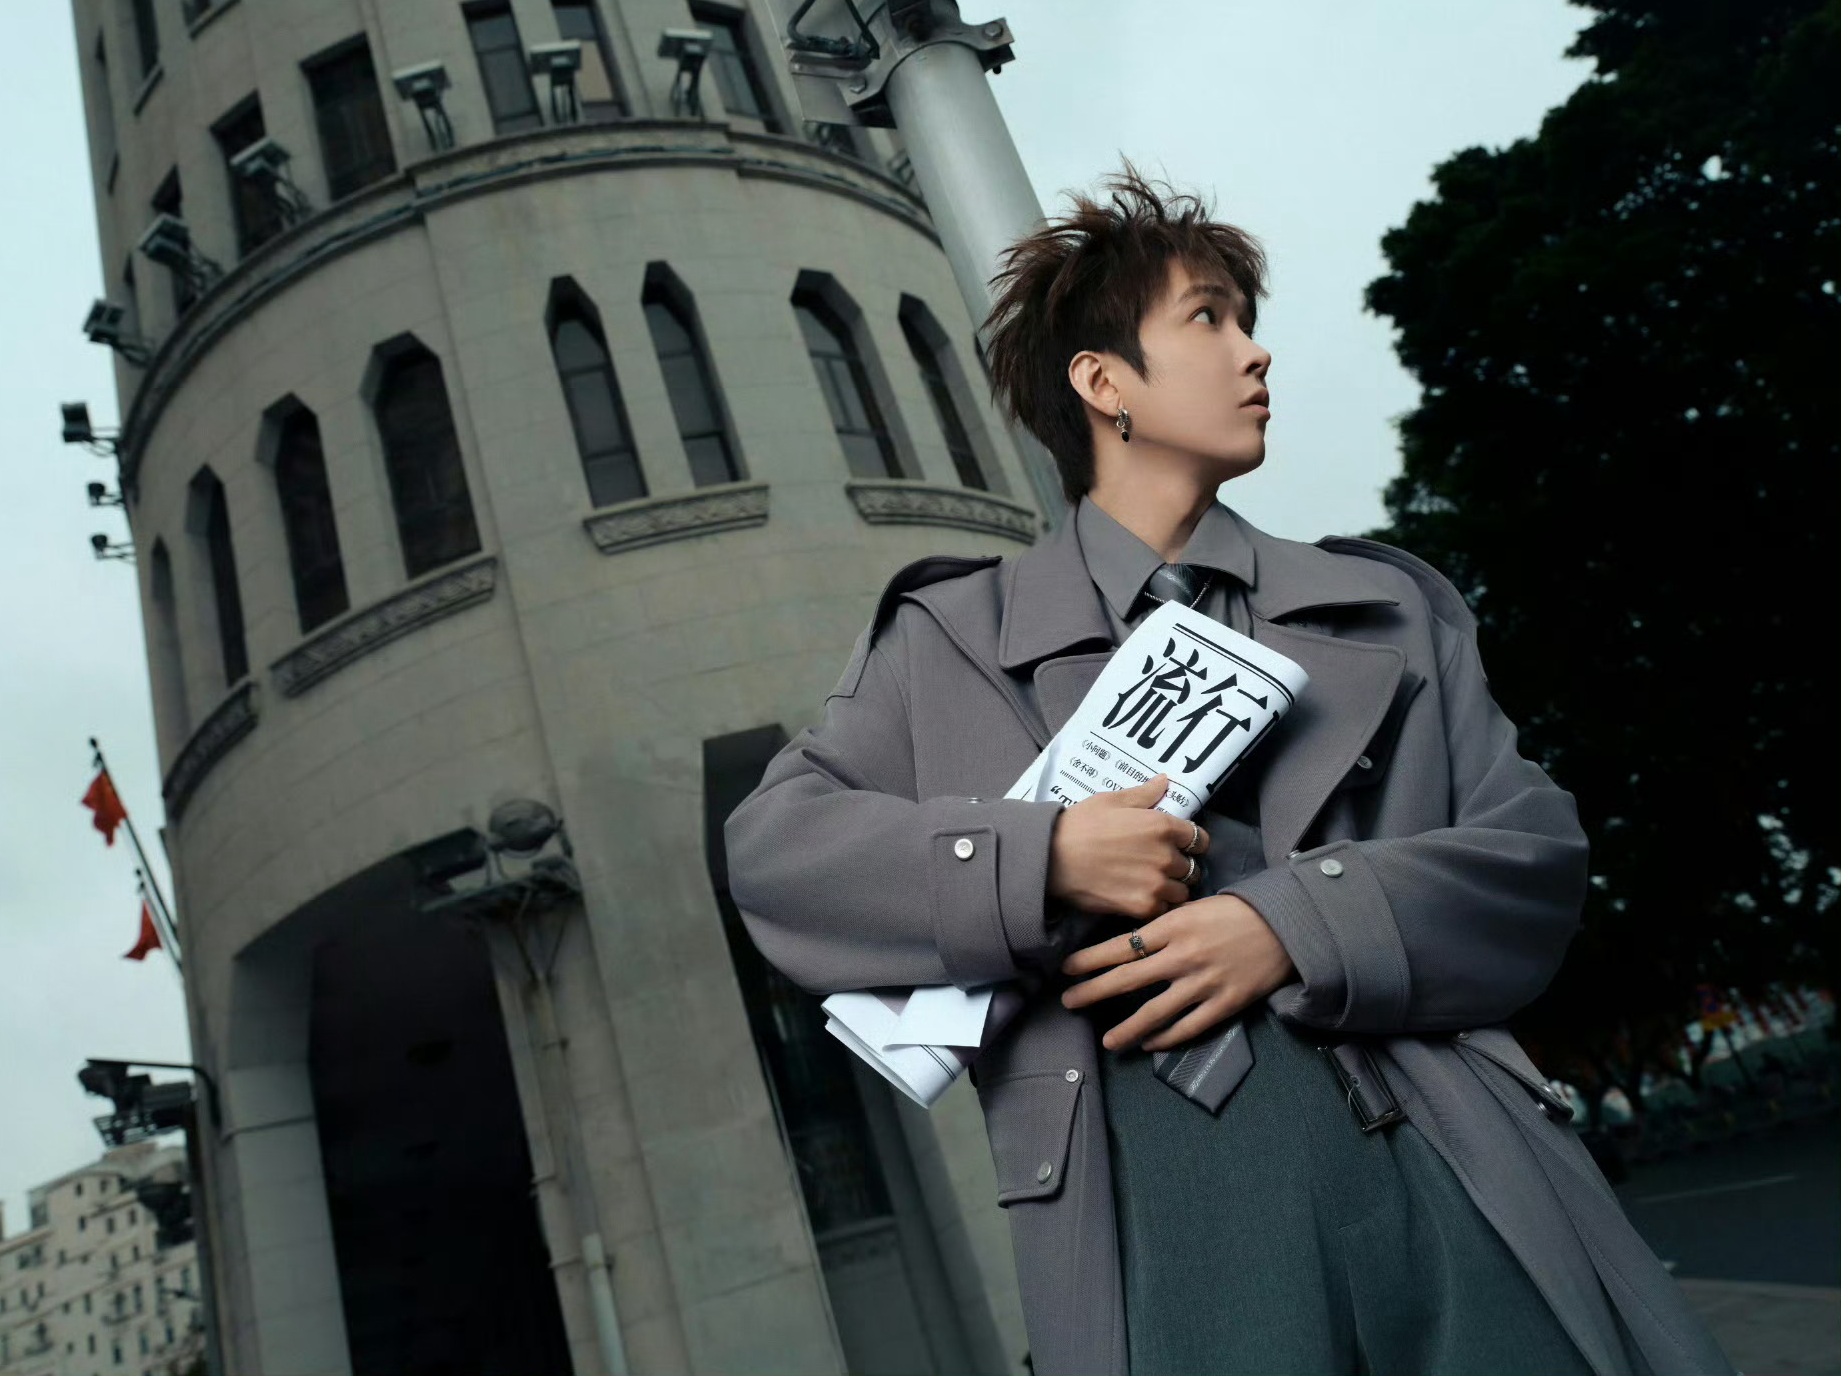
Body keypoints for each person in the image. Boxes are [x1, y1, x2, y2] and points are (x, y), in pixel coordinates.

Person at [723, 169, 1734, 1376]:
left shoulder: (1385, 605)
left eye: (1244, 320)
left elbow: (1531, 851)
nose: (1253, 353)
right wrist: (1040, 855)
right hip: (1158, 1207)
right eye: (1205, 318)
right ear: (1102, 385)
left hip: (1455, 1156)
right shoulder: (947, 638)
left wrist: (1292, 924)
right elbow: (777, 855)